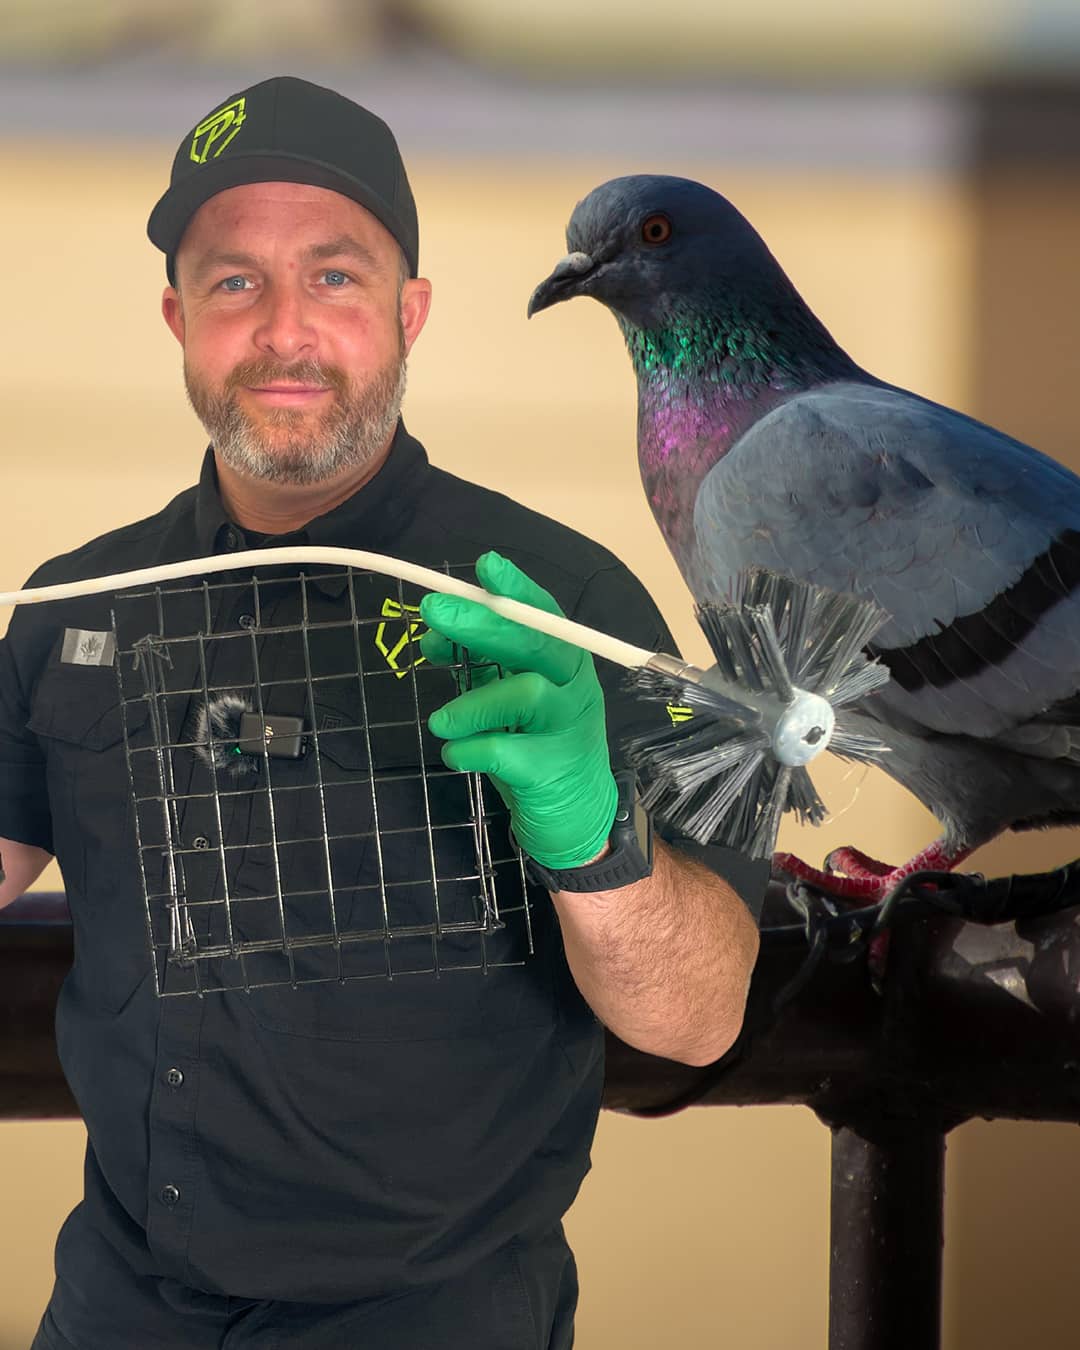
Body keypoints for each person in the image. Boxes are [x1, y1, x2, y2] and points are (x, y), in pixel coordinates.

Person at [0, 76, 764, 1349]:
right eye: (234, 282)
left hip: (437, 1319)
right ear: (178, 317)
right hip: (114, 1312)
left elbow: (696, 1017)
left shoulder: (563, 602)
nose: (284, 329)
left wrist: (595, 834)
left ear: (411, 312)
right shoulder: (75, 602)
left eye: (336, 277)